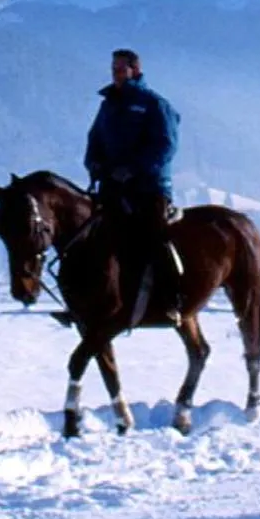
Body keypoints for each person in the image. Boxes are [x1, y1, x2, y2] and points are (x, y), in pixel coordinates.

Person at [84, 48, 181, 323]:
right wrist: (93, 163)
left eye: (120, 69)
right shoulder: (108, 105)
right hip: (113, 186)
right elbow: (95, 139)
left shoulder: (154, 104)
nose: (115, 74)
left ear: (135, 70)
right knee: (92, 237)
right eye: (113, 68)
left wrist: (134, 169)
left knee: (155, 238)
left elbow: (166, 145)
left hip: (150, 188)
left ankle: (172, 299)